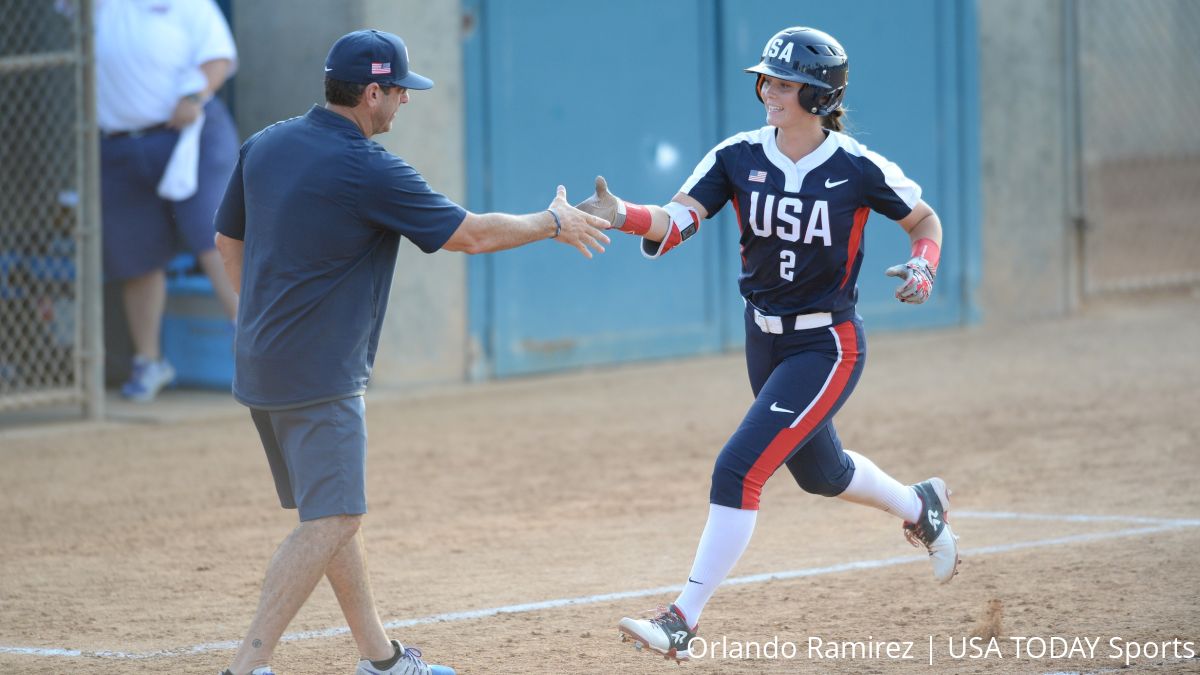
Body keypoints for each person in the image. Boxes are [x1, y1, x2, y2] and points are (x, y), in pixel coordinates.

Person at [212, 29, 610, 675]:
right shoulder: (366, 166)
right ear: (371, 92)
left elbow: (228, 239)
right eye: (398, 90)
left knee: (331, 513)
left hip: (263, 359)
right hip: (319, 373)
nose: (404, 101)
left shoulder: (267, 142)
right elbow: (470, 235)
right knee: (335, 517)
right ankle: (247, 664)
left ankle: (383, 660)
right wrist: (552, 221)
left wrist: (260, 319)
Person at [575, 26, 960, 661]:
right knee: (821, 473)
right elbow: (679, 222)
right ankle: (920, 506)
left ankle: (681, 620)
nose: (769, 92)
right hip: (765, 340)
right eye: (768, 80)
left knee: (737, 468)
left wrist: (924, 265)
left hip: (826, 346)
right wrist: (622, 215)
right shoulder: (738, 155)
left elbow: (924, 220)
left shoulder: (856, 166)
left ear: (818, 95)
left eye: (785, 83)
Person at [95, 0, 241, 401]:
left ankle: (253, 344)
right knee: (134, 254)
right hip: (120, 144)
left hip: (192, 133)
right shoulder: (93, 7)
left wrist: (194, 96)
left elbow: (219, 58)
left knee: (214, 234)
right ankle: (149, 362)